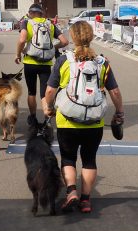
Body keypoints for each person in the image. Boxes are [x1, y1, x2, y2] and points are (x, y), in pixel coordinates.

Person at [43, 21, 124, 213]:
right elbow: (115, 92)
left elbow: (49, 90)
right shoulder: (103, 63)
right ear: (92, 37)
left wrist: (48, 107)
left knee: (68, 158)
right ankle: (86, 200)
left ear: (72, 37)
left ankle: (71, 192)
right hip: (94, 122)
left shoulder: (64, 60)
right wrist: (119, 112)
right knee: (89, 159)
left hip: (68, 120)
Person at [15, 3, 69, 124]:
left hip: (30, 62)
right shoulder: (50, 24)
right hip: (45, 64)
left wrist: (18, 54)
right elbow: (65, 42)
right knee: (44, 93)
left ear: (30, 13)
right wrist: (53, 48)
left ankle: (33, 117)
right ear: (41, 13)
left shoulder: (26, 23)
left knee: (31, 92)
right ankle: (46, 118)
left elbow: (22, 39)